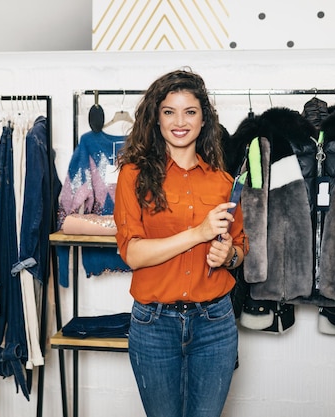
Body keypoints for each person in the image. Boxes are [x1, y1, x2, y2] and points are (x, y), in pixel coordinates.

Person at [113, 69, 248, 417]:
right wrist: (199, 234)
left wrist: (229, 254)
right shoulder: (133, 175)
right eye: (169, 111)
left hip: (214, 324)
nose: (180, 121)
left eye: (190, 111)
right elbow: (133, 253)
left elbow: (238, 248)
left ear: (204, 120)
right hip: (154, 326)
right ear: (156, 120)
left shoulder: (223, 182)